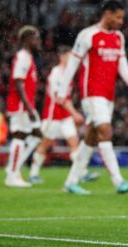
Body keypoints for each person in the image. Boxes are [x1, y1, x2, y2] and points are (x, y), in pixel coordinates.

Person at [57, 0, 128, 195]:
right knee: (105, 131)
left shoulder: (119, 37)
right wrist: (62, 91)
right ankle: (119, 181)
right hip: (92, 94)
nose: (121, 21)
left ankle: (71, 182)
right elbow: (72, 65)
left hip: (108, 95)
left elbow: (122, 63)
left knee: (91, 138)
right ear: (107, 14)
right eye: (118, 17)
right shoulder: (88, 35)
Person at [28, 46, 85, 184]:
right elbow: (59, 98)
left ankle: (81, 173)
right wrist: (75, 113)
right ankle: (33, 173)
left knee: (74, 142)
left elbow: (67, 98)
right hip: (53, 116)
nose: (72, 59)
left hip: (65, 117)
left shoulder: (68, 74)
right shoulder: (56, 73)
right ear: (62, 56)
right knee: (45, 144)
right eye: (69, 56)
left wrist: (71, 114)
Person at [4, 25, 41, 188]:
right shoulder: (22, 57)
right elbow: (18, 83)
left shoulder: (28, 57)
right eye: (36, 38)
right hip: (20, 105)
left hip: (26, 105)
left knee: (37, 134)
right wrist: (27, 107)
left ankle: (13, 168)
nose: (38, 41)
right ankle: (12, 175)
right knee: (19, 137)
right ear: (27, 39)